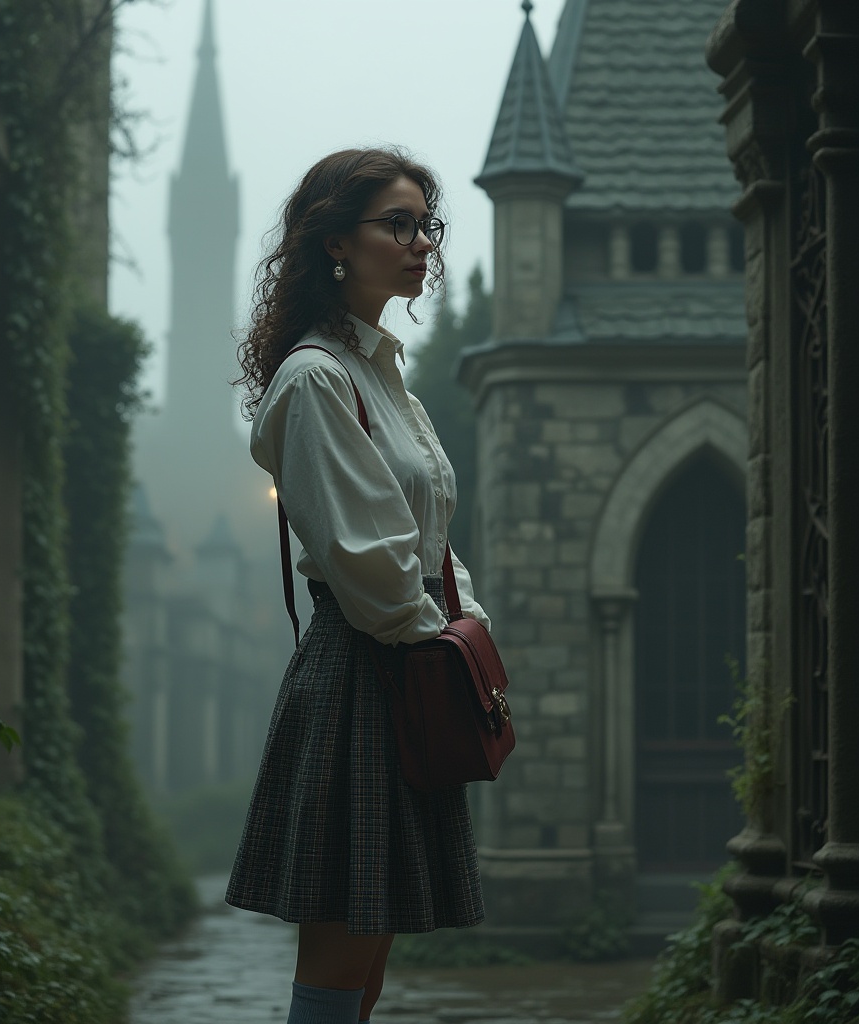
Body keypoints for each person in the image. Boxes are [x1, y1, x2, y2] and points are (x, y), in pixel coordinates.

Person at [226, 147, 491, 1024]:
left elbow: (430, 541)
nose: (421, 242)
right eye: (398, 224)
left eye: (426, 225)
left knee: (365, 971)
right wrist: (450, 648)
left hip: (408, 664)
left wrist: (471, 637)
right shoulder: (316, 378)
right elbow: (373, 564)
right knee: (337, 975)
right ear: (336, 241)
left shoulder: (379, 370)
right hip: (370, 671)